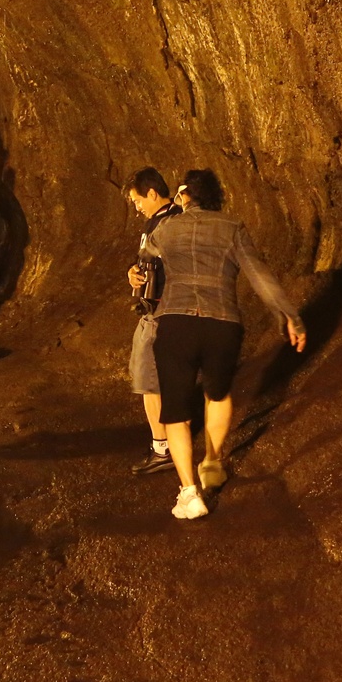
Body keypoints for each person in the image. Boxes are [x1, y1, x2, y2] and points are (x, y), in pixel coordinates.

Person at [133, 169, 306, 520]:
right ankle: (212, 461)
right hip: (222, 323)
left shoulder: (167, 229)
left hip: (176, 322)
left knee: (177, 413)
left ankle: (189, 493)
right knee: (217, 395)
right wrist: (288, 315)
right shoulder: (233, 228)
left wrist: (135, 273)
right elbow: (260, 276)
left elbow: (147, 252)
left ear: (185, 196)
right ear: (218, 196)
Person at [123, 168, 182, 475]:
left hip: (162, 311)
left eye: (137, 200)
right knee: (153, 379)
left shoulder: (172, 222)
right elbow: (147, 262)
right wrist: (133, 274)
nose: (137, 207)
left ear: (151, 193)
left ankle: (163, 448)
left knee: (150, 381)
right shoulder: (157, 221)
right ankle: (169, 443)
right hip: (153, 309)